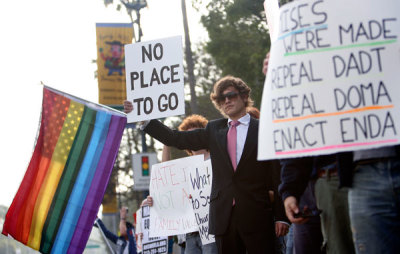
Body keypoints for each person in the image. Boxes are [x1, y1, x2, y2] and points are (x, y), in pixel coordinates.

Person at [124, 75, 289, 254]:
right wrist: (145, 120)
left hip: (257, 215)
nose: (227, 100)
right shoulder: (213, 130)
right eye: (221, 98)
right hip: (223, 219)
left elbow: (276, 174)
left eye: (231, 95)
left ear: (243, 96)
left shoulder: (263, 128)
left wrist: (281, 216)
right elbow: (175, 138)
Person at [150, 114, 218, 254]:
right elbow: (166, 178)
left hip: (211, 232)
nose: (192, 138)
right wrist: (154, 201)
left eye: (195, 133)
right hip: (189, 235)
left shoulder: (217, 160)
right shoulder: (184, 168)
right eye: (187, 135)